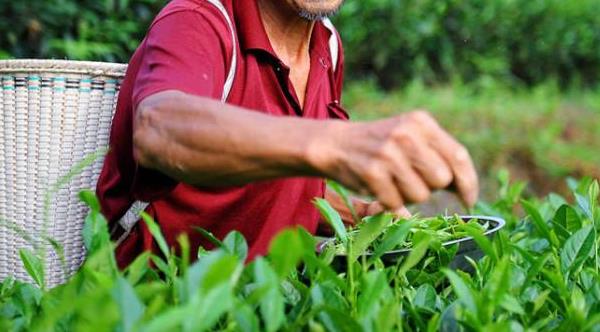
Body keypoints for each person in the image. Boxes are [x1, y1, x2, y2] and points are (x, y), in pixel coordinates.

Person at [96, 0, 479, 268]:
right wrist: (332, 143)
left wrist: (363, 216)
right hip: (163, 300)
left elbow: (283, 181)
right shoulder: (197, 20)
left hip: (264, 298)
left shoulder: (326, 44)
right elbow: (159, 129)